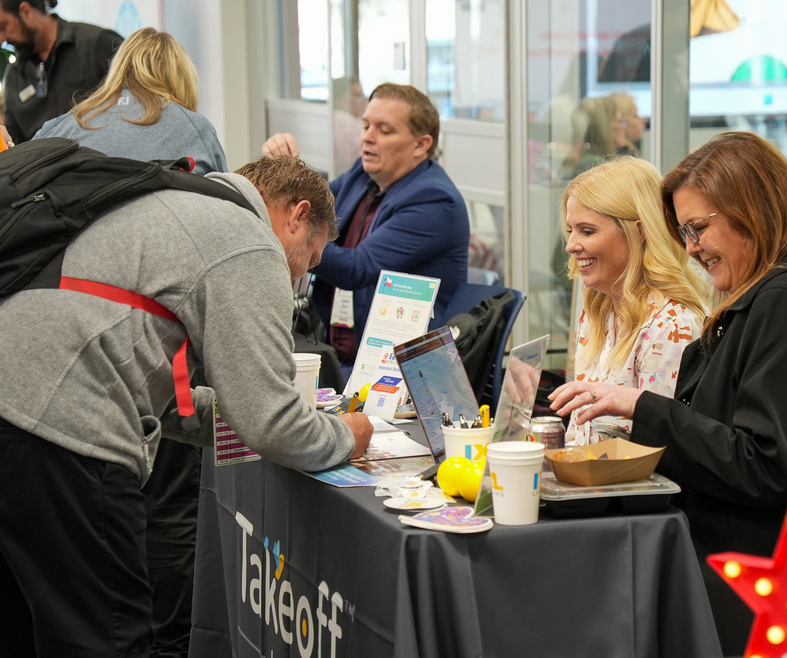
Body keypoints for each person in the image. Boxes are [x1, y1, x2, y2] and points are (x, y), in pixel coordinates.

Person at [0, 155, 374, 656]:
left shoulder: (179, 203)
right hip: (67, 427)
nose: (299, 281)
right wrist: (350, 434)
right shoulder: (246, 241)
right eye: (310, 260)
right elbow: (274, 424)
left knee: (31, 626)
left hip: (19, 407)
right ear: (297, 215)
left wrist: (248, 414)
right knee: (108, 635)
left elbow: (177, 401)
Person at [549, 131, 787, 655]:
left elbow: (763, 464)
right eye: (684, 233)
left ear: (752, 212)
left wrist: (642, 408)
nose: (691, 249)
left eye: (699, 228)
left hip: (759, 573)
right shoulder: (758, 301)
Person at [31, 27, 228, 657]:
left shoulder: (60, 126)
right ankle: (170, 640)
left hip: (42, 352)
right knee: (168, 502)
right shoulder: (192, 132)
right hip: (146, 350)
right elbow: (214, 244)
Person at [262, 83, 470, 371]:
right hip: (339, 351)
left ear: (421, 145)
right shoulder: (363, 175)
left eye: (384, 130)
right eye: (366, 126)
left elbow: (356, 268)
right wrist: (283, 171)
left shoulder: (434, 200)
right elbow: (308, 207)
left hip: (399, 366)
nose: (367, 138)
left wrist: (293, 239)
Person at [561, 157, 706, 445]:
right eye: (570, 230)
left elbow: (656, 451)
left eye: (587, 231)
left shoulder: (671, 326)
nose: (570, 245)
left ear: (638, 232)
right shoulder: (597, 314)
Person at [35, 27, 227, 175]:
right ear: (183, 78)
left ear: (119, 67)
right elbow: (227, 208)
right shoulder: (195, 130)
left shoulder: (56, 129)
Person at [0, 0, 122, 143]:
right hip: (42, 167)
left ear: (26, 11)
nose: (2, 39)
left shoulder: (98, 45)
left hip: (107, 165)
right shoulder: (15, 76)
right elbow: (15, 147)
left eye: (2, 27)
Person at [332, 75, 367, 173]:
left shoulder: (354, 120)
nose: (363, 100)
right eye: (356, 95)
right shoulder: (344, 122)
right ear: (337, 98)